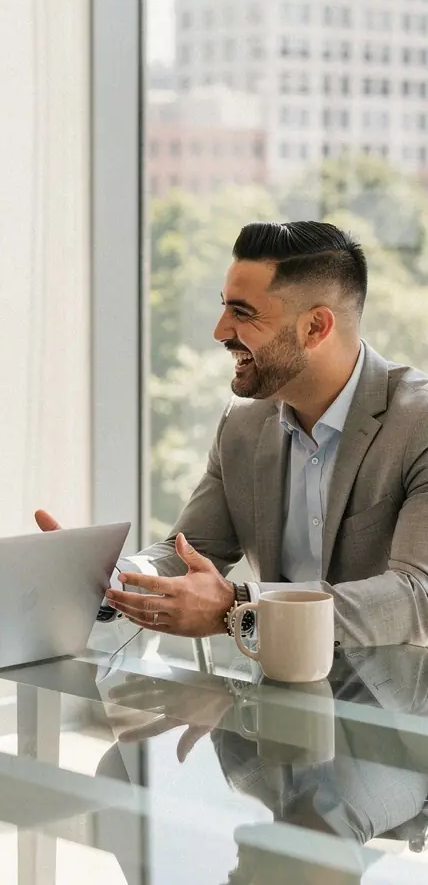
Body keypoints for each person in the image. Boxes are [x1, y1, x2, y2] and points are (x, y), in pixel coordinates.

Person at [39, 220, 428, 647]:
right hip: (279, 697)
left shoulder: (418, 422)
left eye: (242, 313)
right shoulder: (243, 423)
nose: (220, 331)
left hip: (403, 704)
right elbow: (190, 554)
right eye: (225, 307)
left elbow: (416, 597)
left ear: (316, 327)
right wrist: (110, 578)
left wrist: (240, 606)